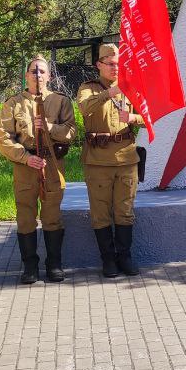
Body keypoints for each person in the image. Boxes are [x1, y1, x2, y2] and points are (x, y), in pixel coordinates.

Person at [0, 56, 76, 284]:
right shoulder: (14, 103)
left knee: (52, 216)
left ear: (49, 76)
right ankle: (30, 266)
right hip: (25, 166)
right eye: (33, 71)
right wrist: (26, 157)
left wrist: (50, 128)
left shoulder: (60, 101)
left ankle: (54, 264)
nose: (38, 75)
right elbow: (3, 138)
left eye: (42, 71)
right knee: (26, 216)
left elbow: (71, 132)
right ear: (26, 75)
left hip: (52, 165)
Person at [78, 44, 143, 278]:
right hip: (98, 160)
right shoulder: (88, 88)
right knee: (101, 213)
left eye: (118, 64)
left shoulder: (130, 87)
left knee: (125, 211)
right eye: (110, 63)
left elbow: (148, 116)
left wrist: (133, 117)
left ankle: (124, 257)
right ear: (99, 65)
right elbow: (84, 108)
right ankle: (108, 260)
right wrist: (108, 93)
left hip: (126, 157)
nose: (115, 68)